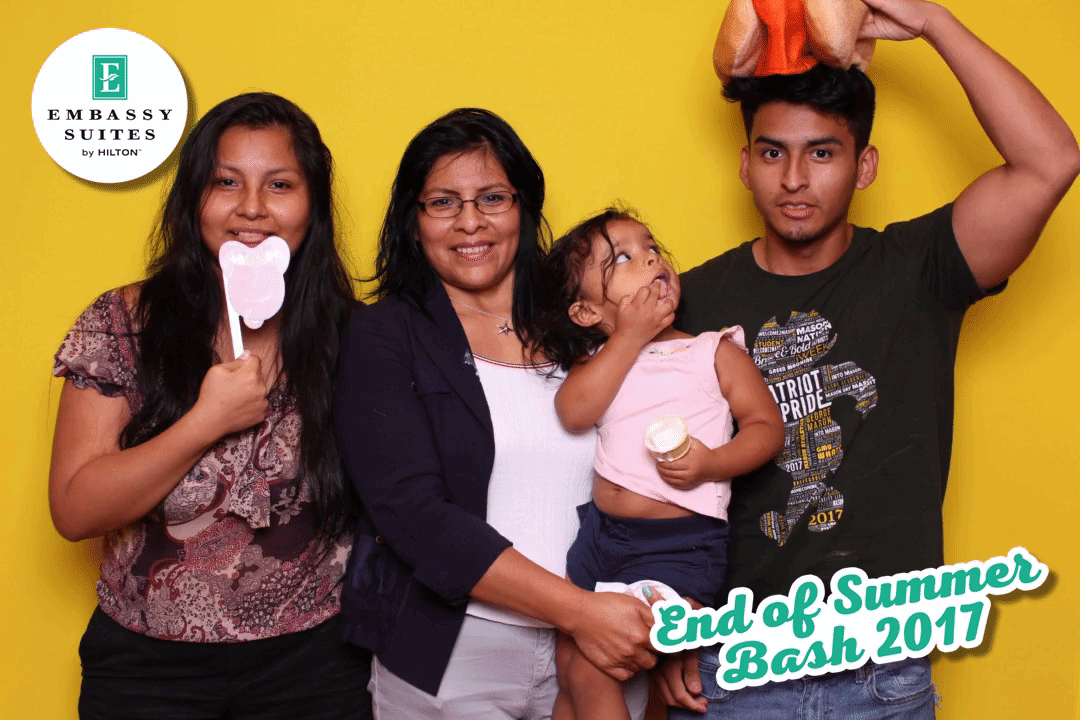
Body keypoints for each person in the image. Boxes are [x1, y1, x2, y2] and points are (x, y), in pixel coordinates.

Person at [657, 0, 1080, 717]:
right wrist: (671, 622)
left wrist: (933, 23)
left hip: (883, 673)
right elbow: (648, 474)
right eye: (773, 152)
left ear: (864, 166)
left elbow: (1052, 162)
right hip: (735, 669)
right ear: (745, 164)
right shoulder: (690, 304)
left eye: (822, 152)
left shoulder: (919, 270)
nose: (795, 178)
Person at [49, 92, 371, 720]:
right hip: (146, 670)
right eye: (226, 182)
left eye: (280, 185)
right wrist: (204, 422)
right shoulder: (121, 323)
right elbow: (74, 510)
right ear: (194, 197)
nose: (252, 208)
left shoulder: (355, 336)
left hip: (315, 666)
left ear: (313, 205)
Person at [334, 109, 659, 720]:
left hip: (604, 647)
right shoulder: (384, 334)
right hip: (457, 652)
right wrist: (580, 613)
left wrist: (683, 627)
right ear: (412, 221)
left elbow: (668, 464)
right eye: (442, 203)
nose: (470, 222)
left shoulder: (588, 320)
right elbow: (412, 514)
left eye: (492, 198)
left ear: (523, 208)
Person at [533, 207, 784, 720]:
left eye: (652, 247)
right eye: (624, 259)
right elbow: (573, 412)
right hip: (599, 542)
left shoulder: (711, 352)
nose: (651, 259)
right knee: (571, 670)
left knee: (596, 671)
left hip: (678, 549)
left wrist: (712, 464)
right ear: (586, 312)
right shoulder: (603, 361)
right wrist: (627, 338)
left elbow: (766, 428)